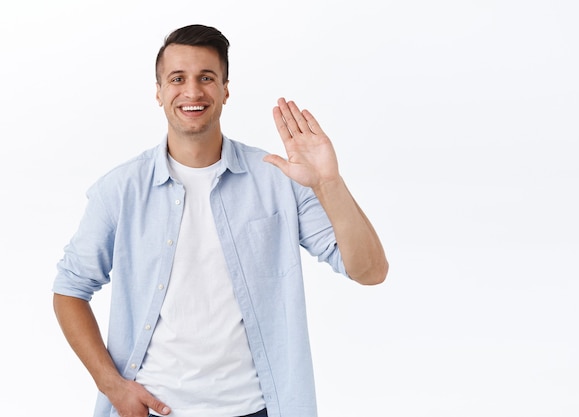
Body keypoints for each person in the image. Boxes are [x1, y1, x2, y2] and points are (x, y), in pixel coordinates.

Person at [53, 24, 388, 417]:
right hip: (152, 410)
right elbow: (69, 290)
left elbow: (370, 271)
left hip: (258, 410)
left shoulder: (277, 180)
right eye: (177, 79)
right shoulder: (120, 190)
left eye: (206, 78)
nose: (192, 92)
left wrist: (329, 183)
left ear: (226, 89)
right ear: (158, 91)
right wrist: (113, 388)